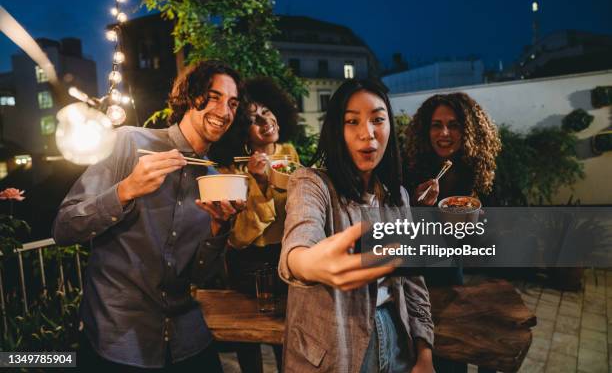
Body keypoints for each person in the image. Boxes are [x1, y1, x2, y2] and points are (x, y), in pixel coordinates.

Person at [53, 60, 247, 370]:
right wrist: (126, 190)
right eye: (213, 96)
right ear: (189, 96)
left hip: (188, 337)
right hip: (118, 336)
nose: (224, 112)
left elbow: (201, 276)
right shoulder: (129, 143)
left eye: (232, 103)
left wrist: (219, 227)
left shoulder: (212, 178)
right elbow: (64, 228)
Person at [278, 79, 435, 372]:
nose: (368, 133)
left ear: (389, 126)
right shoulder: (311, 183)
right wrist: (308, 262)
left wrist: (424, 352)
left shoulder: (397, 196)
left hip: (396, 337)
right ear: (337, 130)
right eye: (352, 121)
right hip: (333, 348)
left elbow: (414, 281)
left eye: (377, 119)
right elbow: (300, 237)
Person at [404, 92, 501, 373]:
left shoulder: (477, 172)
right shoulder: (411, 168)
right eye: (436, 125)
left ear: (468, 129)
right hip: (416, 277)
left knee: (455, 356)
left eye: (454, 125)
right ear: (426, 129)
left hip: (458, 277)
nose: (444, 133)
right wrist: (415, 204)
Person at [211, 77, 300, 294]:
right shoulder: (232, 170)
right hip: (250, 263)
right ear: (241, 129)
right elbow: (239, 238)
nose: (265, 120)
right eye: (253, 119)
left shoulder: (288, 152)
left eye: (267, 111)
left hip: (290, 254)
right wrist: (259, 182)